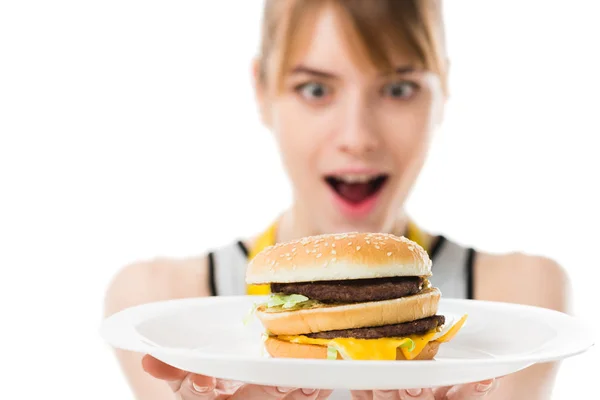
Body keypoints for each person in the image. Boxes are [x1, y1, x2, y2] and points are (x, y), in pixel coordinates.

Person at [103, 0, 571, 399]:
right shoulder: (159, 304)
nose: (357, 137)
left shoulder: (524, 302)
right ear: (261, 90)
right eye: (316, 89)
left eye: (398, 88)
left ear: (442, 88)